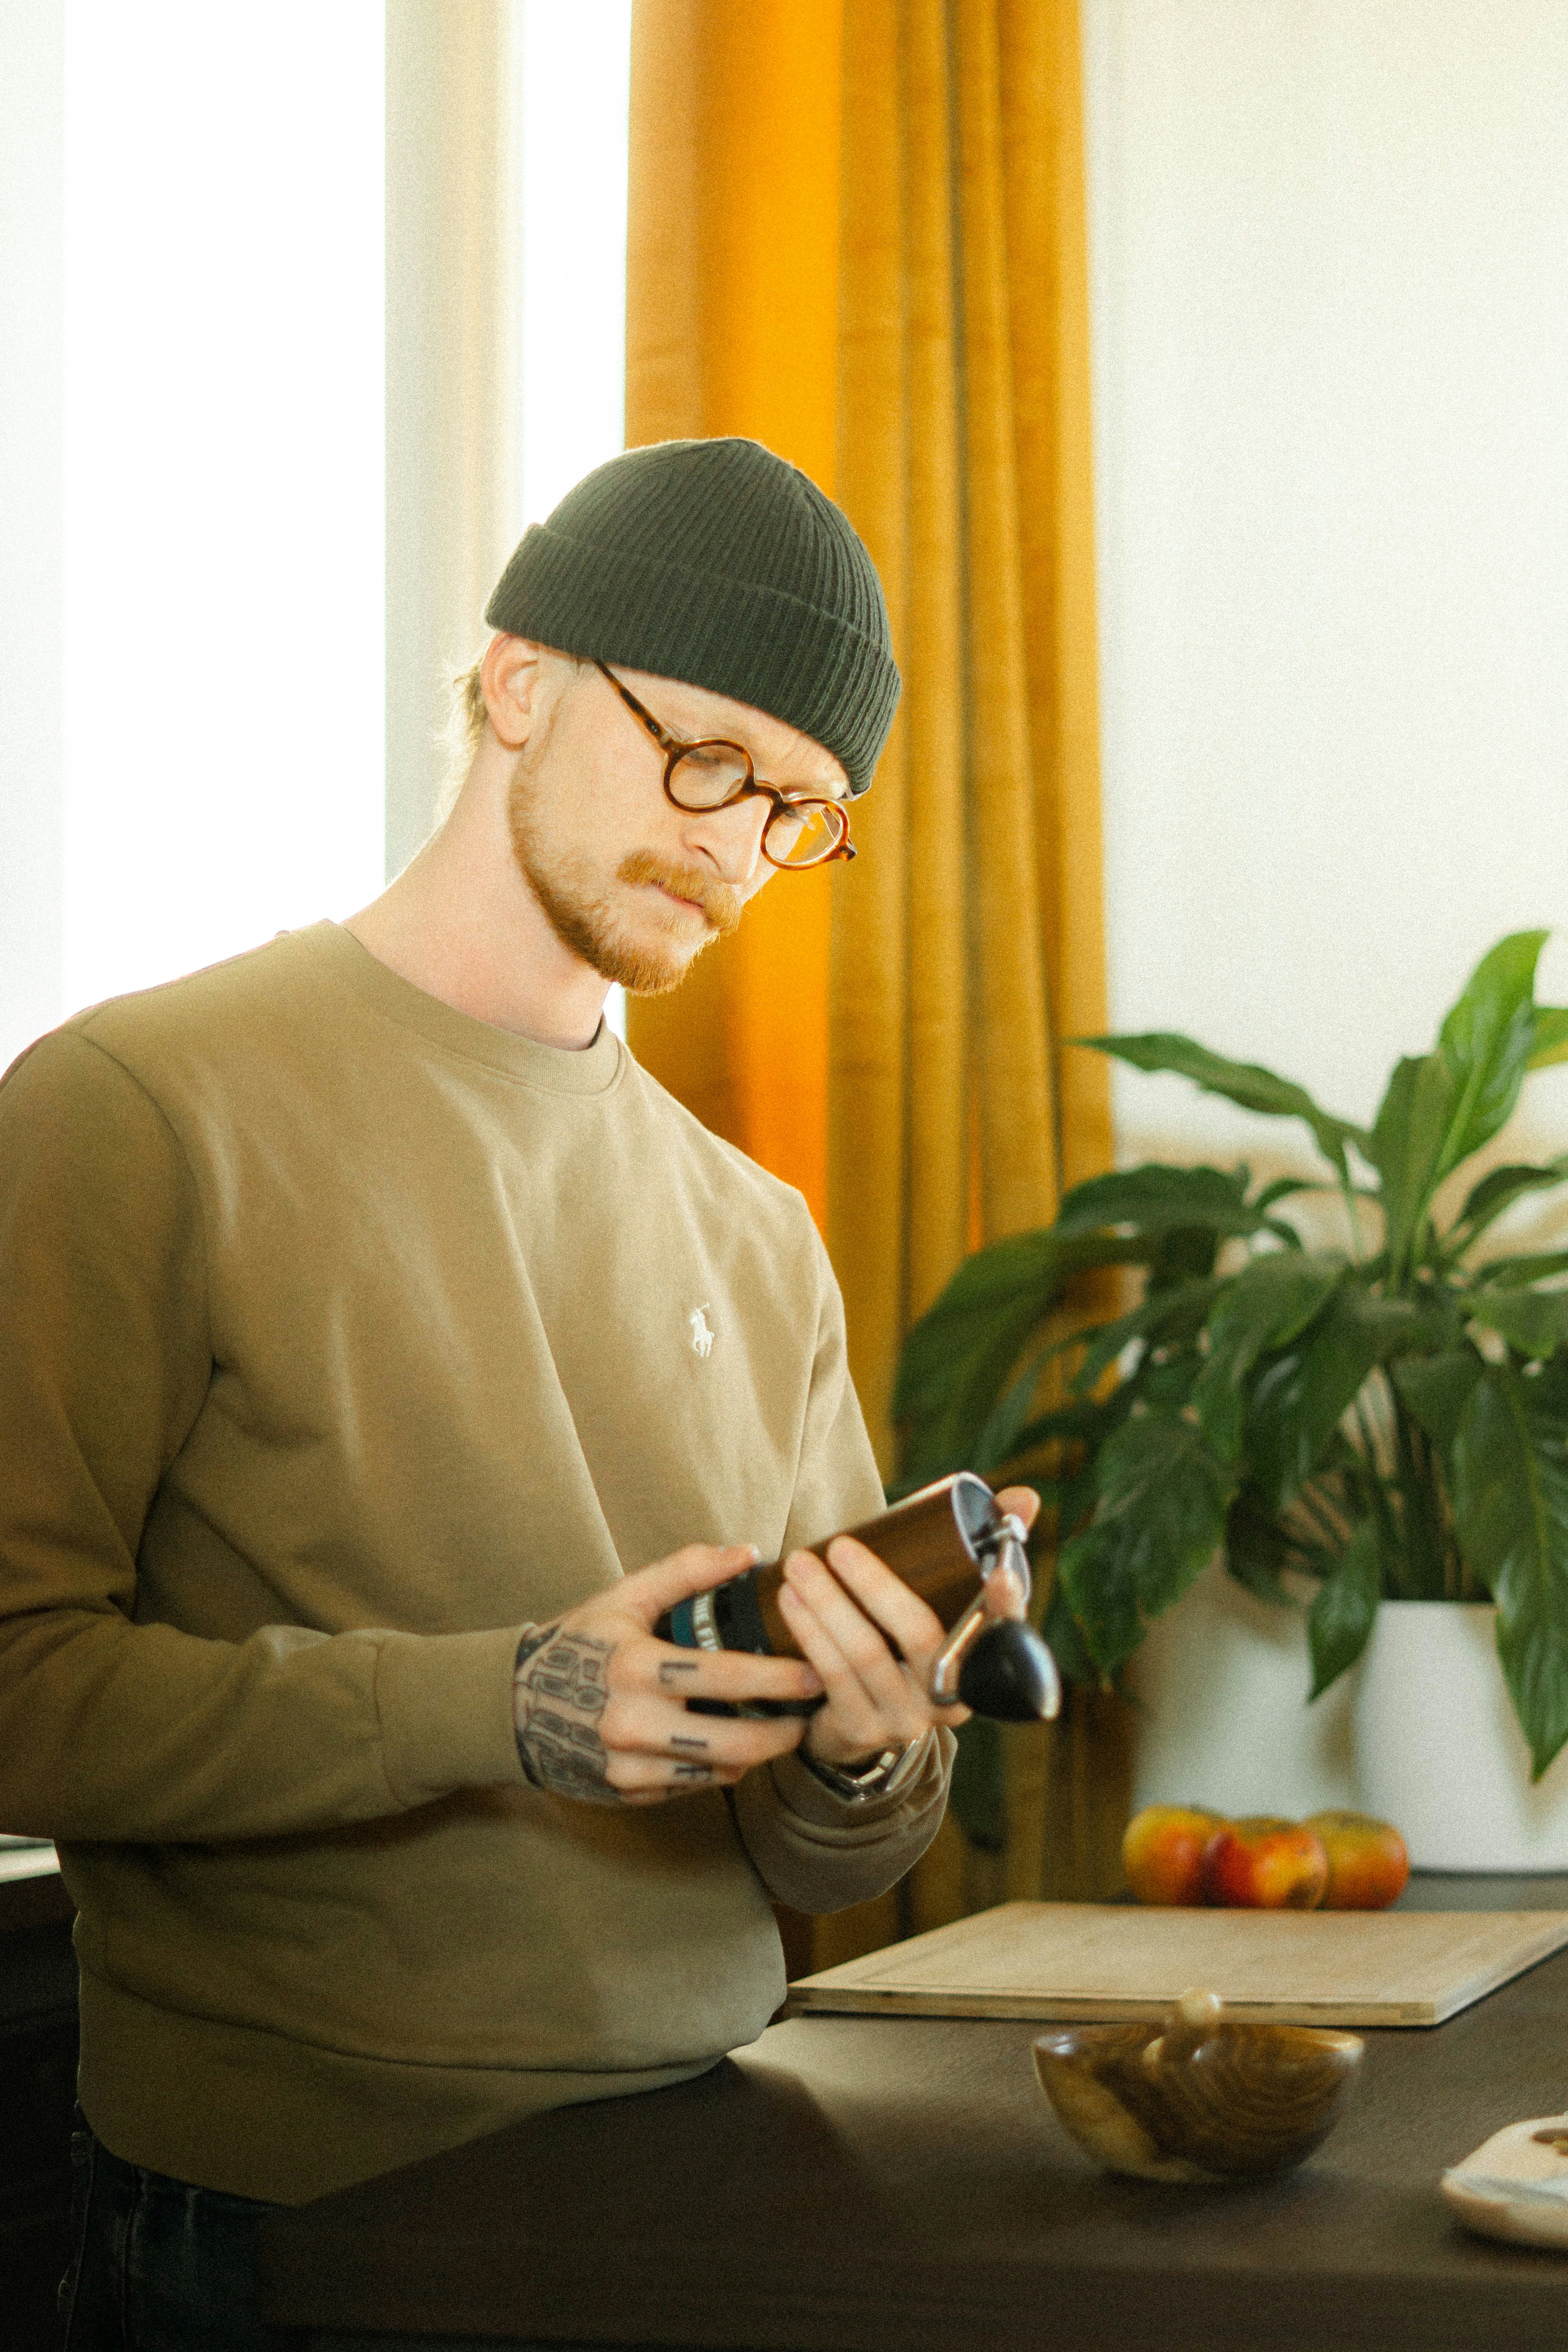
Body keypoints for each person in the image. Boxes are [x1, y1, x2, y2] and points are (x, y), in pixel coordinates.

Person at [0, 437, 1037, 2347]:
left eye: (798, 810)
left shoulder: (755, 1229)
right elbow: (18, 1696)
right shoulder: (134, 1108)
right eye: (706, 757)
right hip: (285, 2226)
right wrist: (504, 1707)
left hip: (703, 2190)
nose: (735, 847)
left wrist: (872, 1743)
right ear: (519, 681)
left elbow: (825, 1852)